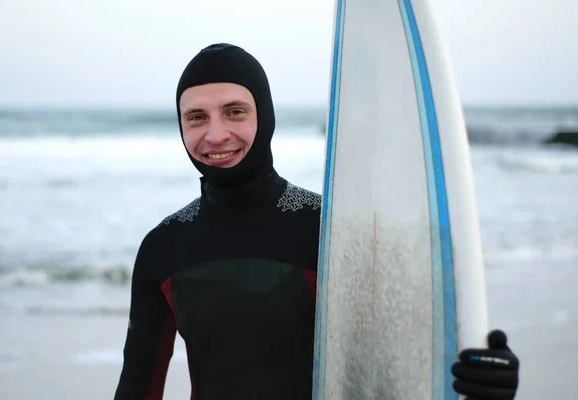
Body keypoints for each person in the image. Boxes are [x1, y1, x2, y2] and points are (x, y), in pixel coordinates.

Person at [114, 43, 520, 400]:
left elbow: (413, 350)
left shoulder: (330, 229)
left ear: (265, 116)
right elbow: (137, 388)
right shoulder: (163, 247)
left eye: (234, 112)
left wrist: (485, 378)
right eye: (196, 117)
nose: (216, 134)